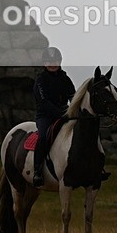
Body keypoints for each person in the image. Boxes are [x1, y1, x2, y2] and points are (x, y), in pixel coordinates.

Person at [32, 46, 75, 187]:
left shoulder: (65, 79)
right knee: (43, 136)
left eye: (55, 61)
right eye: (49, 61)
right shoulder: (40, 80)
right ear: (44, 63)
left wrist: (74, 111)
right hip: (45, 117)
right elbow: (43, 103)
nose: (52, 64)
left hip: (64, 116)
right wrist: (62, 113)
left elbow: (73, 97)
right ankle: (37, 170)